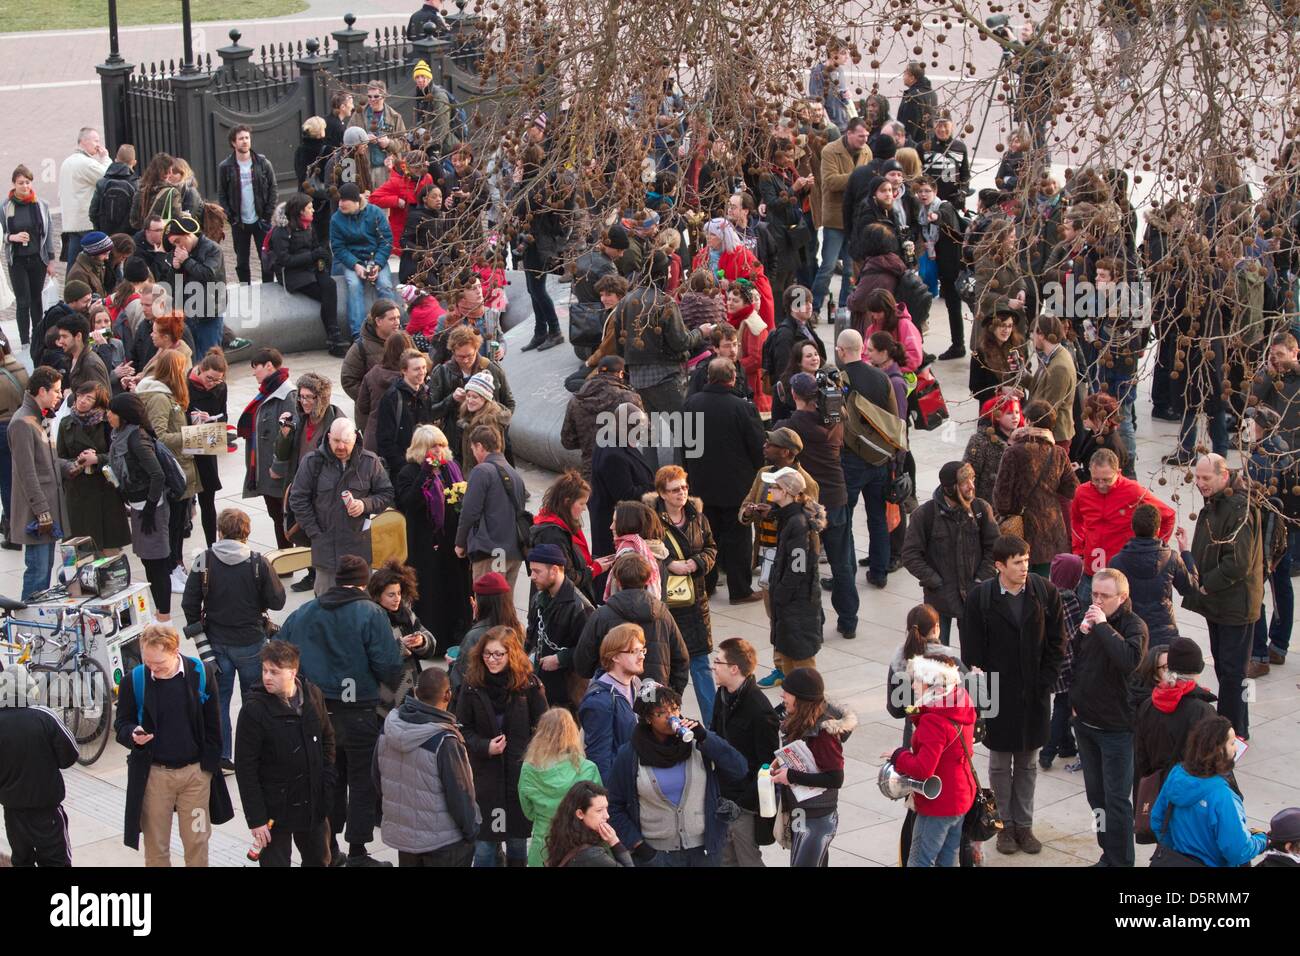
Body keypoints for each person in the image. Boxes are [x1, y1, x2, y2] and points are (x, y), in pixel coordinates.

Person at [279, 554, 401, 866]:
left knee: (328, 779)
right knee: (361, 780)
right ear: (363, 582)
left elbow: (279, 653)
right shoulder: (371, 613)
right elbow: (389, 667)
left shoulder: (304, 612)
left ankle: (330, 849)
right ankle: (358, 851)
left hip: (317, 713)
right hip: (359, 712)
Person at [960, 534, 1066, 855]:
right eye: (1017, 562)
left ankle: (1024, 825)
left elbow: (1058, 643)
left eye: (1026, 559)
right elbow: (972, 654)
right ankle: (1002, 825)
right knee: (998, 764)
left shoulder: (1045, 592)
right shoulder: (981, 598)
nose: (1024, 566)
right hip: (997, 695)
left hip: (1033, 694)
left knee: (1028, 764)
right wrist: (981, 697)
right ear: (999, 566)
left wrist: (1045, 682)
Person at [113, 623, 233, 866]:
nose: (153, 669)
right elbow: (122, 723)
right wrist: (132, 734)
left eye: (159, 664)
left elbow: (213, 723)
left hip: (195, 777)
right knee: (156, 845)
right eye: (147, 662)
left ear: (175, 650)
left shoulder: (200, 673)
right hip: (155, 777)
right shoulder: (133, 681)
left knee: (197, 840)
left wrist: (206, 769)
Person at [182, 506, 286, 771]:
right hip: (251, 642)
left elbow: (189, 604)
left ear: (220, 531)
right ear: (246, 532)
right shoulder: (256, 562)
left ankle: (222, 755)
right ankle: (253, 753)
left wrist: (201, 641)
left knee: (219, 702)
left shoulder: (204, 559)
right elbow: (278, 600)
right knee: (255, 700)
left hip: (216, 644)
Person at [606, 679, 747, 867]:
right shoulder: (630, 755)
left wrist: (706, 737)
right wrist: (639, 846)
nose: (671, 717)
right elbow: (615, 807)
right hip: (656, 855)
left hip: (704, 852)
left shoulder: (697, 744)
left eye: (674, 709)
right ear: (648, 718)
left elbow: (739, 769)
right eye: (661, 713)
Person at [1069, 567, 1148, 867]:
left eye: (1104, 596)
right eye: (1095, 594)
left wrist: (1101, 627)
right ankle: (1108, 854)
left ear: (1122, 597)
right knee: (1097, 800)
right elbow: (1078, 661)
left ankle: (1122, 861)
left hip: (1116, 729)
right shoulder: (1092, 622)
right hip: (1086, 724)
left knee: (1116, 802)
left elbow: (1129, 661)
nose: (1097, 601)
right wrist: (1082, 634)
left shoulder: (1134, 626)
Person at [234, 640, 335, 867]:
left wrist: (327, 781)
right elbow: (245, 768)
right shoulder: (253, 710)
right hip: (274, 811)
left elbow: (328, 739)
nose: (267, 677)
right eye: (265, 670)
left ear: (293, 671)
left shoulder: (313, 695)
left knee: (320, 860)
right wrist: (256, 819)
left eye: (274, 672)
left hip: (312, 803)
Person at [1183, 454, 1263, 739]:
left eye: (1206, 478)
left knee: (1233, 673)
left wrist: (1205, 586)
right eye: (1198, 478)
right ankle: (1238, 725)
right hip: (1220, 603)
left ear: (1224, 475)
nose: (1200, 484)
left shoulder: (1239, 508)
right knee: (1227, 669)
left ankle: (1232, 731)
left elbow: (1237, 563)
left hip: (1234, 605)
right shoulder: (1217, 503)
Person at [456, 625, 548, 867]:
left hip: (519, 777)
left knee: (517, 844)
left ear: (512, 655)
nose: (492, 660)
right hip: (485, 778)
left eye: (498, 654)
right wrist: (485, 746)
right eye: (487, 654)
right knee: (485, 846)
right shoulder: (472, 685)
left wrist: (532, 756)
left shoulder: (528, 685)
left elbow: (544, 728)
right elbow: (463, 728)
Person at [374, 666, 478, 867]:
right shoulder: (445, 741)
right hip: (444, 844)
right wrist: (471, 831)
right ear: (448, 695)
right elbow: (460, 795)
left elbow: (377, 777)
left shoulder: (388, 728)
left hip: (405, 839)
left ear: (414, 692)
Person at [682, 358, 765, 604]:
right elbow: (757, 447)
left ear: (708, 377)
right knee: (739, 538)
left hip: (701, 483)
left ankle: (706, 585)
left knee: (706, 536)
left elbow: (685, 445)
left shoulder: (690, 404)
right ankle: (740, 589)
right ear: (732, 378)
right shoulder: (743, 408)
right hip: (736, 485)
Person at [774, 372, 850, 629]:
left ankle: (817, 621)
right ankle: (849, 621)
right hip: (837, 496)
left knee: (811, 567)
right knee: (842, 563)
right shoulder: (836, 419)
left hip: (809, 503)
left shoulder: (792, 425)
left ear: (794, 394)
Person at [643, 466, 719, 722]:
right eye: (675, 490)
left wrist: (696, 563)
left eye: (685, 487)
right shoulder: (651, 520)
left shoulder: (698, 516)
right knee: (668, 666)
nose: (682, 493)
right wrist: (669, 565)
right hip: (667, 605)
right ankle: (668, 721)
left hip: (695, 602)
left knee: (701, 664)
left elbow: (711, 547)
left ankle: (711, 724)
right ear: (662, 493)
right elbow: (644, 555)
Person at [889, 652, 977, 867]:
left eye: (918, 680)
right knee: (947, 860)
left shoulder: (934, 721)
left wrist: (898, 755)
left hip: (939, 803)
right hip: (961, 796)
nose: (913, 686)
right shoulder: (961, 703)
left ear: (933, 685)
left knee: (920, 861)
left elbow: (922, 769)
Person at [288, 418, 394, 596]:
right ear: (328, 437)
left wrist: (364, 505)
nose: (341, 447)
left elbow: (386, 494)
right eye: (336, 441)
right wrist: (315, 533)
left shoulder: (370, 462)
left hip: (358, 552)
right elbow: (298, 499)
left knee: (361, 608)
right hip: (326, 552)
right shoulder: (312, 462)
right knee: (326, 608)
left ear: (355, 438)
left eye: (346, 442)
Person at [393, 425, 471, 653]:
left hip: (451, 544)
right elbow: (408, 503)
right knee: (432, 594)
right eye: (433, 446)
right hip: (426, 547)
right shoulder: (409, 472)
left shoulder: (451, 468)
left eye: (442, 445)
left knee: (456, 591)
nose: (438, 451)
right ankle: (433, 643)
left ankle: (458, 639)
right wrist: (425, 474)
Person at [902, 461, 997, 646]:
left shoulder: (981, 509)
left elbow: (994, 548)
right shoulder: (925, 515)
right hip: (939, 599)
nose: (971, 486)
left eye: (972, 479)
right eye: (965, 482)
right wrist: (934, 581)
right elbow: (910, 555)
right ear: (950, 488)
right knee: (937, 655)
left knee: (975, 656)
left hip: (974, 595)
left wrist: (981, 580)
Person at [1149, 717, 1266, 867]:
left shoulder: (1177, 775)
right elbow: (1238, 851)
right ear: (1218, 750)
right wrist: (1262, 840)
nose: (1236, 748)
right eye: (1232, 743)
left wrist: (1177, 853)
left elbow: (1158, 820)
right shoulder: (1223, 796)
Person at [709, 637, 781, 867]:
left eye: (718, 661)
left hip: (744, 804)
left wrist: (742, 803)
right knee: (725, 860)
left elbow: (766, 765)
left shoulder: (759, 711)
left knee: (748, 859)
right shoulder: (722, 695)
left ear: (734, 668)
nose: (713, 666)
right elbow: (716, 735)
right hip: (723, 794)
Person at [9, 367, 80, 599]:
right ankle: (25, 626)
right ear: (42, 391)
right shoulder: (22, 423)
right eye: (57, 391)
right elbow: (27, 474)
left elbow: (46, 461)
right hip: (38, 516)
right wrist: (42, 512)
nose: (60, 395)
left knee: (44, 572)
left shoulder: (40, 417)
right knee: (38, 574)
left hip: (47, 512)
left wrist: (69, 465)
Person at [772, 668, 854, 867]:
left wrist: (790, 776)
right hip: (801, 812)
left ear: (801, 698)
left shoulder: (824, 734)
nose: (782, 695)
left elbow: (835, 778)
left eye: (787, 692)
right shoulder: (799, 719)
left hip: (817, 818)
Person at [574, 552, 690, 690]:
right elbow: (681, 659)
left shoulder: (601, 616)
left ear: (617, 580)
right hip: (652, 694)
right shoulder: (663, 614)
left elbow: (583, 662)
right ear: (647, 580)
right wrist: (672, 694)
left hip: (614, 692)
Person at [135, 349, 200, 593]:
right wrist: (189, 436)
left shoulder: (166, 394)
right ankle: (171, 568)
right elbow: (159, 435)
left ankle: (175, 567)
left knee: (178, 524)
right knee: (172, 525)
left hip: (182, 466)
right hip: (174, 469)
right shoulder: (160, 397)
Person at [0, 663, 78, 866]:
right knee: (57, 861)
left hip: (13, 812)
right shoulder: (44, 716)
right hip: (47, 811)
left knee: (22, 860)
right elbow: (70, 755)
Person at [106, 393, 174, 618]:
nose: (108, 416)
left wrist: (150, 508)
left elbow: (158, 474)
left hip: (150, 507)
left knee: (157, 563)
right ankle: (160, 612)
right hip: (139, 506)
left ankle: (163, 615)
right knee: (148, 560)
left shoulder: (137, 438)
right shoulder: (121, 435)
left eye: (111, 412)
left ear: (123, 415)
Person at [992, 399, 1079, 575]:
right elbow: (1072, 489)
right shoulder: (1058, 453)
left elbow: (1002, 497)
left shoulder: (1013, 452)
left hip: (1021, 530)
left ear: (1028, 421)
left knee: (1018, 580)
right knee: (1044, 585)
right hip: (1052, 530)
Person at [1133, 637, 1218, 801]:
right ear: (1198, 670)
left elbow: (1141, 757)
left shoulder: (1149, 704)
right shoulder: (1203, 711)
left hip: (1157, 791)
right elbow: (1210, 762)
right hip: (1188, 795)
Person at [518, 709, 603, 867]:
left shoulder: (529, 768)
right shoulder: (588, 768)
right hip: (578, 847)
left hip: (543, 846)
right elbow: (598, 811)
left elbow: (528, 811)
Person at [764, 467, 828, 675]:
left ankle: (807, 703)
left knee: (801, 661)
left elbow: (798, 567)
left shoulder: (798, 524)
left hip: (798, 604)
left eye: (774, 487)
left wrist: (781, 592)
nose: (769, 490)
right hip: (790, 603)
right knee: (788, 656)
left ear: (787, 492)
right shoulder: (787, 517)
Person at [1107, 504, 1197, 647]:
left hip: (1130, 632)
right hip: (1164, 634)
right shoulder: (1171, 558)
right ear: (1158, 529)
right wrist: (1185, 552)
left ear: (1132, 527)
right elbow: (1190, 588)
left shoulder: (1116, 561)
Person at [56, 381, 130, 552]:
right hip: (78, 493)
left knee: (109, 549)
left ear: (98, 402)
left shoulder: (107, 423)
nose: (82, 400)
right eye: (80, 395)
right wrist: (77, 462)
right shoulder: (66, 423)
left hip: (106, 491)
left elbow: (120, 454)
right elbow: (59, 458)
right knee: (80, 549)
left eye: (89, 398)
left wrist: (97, 459)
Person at [270, 193, 346, 356]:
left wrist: (322, 263)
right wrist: (312, 256)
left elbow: (315, 247)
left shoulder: (309, 227)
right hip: (293, 273)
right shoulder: (282, 231)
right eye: (309, 208)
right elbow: (284, 260)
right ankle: (334, 335)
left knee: (329, 285)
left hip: (310, 268)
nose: (313, 211)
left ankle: (334, 335)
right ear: (300, 211)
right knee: (324, 294)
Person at [237, 348, 296, 550]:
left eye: (256, 368)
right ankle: (286, 557)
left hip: (276, 472)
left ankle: (291, 560)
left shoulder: (286, 395)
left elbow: (288, 437)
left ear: (269, 366)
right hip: (266, 470)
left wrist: (278, 468)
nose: (254, 373)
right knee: (276, 515)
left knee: (283, 517)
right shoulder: (268, 392)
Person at [455, 424, 526, 590]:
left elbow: (469, 512)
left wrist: (460, 543)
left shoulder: (482, 471)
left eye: (473, 448)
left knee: (488, 606)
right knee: (505, 608)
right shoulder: (515, 475)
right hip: (514, 552)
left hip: (491, 552)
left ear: (480, 446)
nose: (473, 453)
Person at [525, 543, 596, 711]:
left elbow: (590, 651)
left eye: (537, 571)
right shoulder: (538, 598)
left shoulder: (580, 608)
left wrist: (560, 659)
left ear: (555, 570)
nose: (531, 576)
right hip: (541, 687)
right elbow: (531, 634)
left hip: (567, 695)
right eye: (531, 570)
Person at [814, 119, 872, 315]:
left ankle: (844, 308)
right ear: (849, 133)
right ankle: (814, 307)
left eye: (866, 136)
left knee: (850, 269)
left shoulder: (867, 151)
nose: (864, 140)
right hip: (835, 218)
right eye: (860, 136)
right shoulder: (830, 150)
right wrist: (859, 177)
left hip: (856, 219)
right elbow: (831, 182)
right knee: (828, 267)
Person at [588, 403, 656, 561]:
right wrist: (655, 487)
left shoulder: (614, 440)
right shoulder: (614, 455)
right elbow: (625, 495)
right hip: (615, 525)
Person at [368, 560, 437, 717]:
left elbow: (429, 638)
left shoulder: (405, 613)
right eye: (391, 595)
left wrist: (421, 641)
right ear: (378, 596)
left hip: (411, 681)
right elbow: (374, 656)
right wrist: (400, 647)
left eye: (399, 593)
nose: (397, 599)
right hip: (386, 690)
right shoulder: (372, 619)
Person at [577, 625, 644, 784]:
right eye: (634, 651)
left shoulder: (636, 683)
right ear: (615, 656)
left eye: (643, 650)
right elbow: (600, 760)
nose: (641, 656)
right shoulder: (600, 702)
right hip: (618, 788)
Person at [561, 355, 645, 481]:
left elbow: (567, 441)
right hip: (623, 469)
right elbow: (643, 433)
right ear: (621, 374)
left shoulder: (576, 401)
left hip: (592, 471)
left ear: (598, 372)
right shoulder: (630, 398)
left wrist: (588, 442)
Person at [330, 184, 396, 340]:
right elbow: (338, 248)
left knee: (385, 285)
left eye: (345, 201)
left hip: (376, 258)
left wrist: (378, 264)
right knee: (353, 285)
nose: (340, 204)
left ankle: (393, 329)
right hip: (352, 260)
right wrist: (355, 265)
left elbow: (386, 241)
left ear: (356, 202)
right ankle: (358, 335)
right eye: (340, 201)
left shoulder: (375, 213)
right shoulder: (336, 219)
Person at [2, 165, 58, 347]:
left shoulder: (40, 205)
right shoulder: (5, 207)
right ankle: (25, 340)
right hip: (17, 260)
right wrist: (12, 237)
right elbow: (1, 233)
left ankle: (37, 336)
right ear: (14, 184)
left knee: (36, 300)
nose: (25, 186)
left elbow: (48, 233)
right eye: (20, 183)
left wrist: (50, 260)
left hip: (37, 259)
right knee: (23, 300)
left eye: (27, 182)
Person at [449, 571, 525, 703]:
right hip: (510, 702)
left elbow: (459, 680)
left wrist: (452, 665)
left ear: (483, 602)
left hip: (480, 706)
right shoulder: (517, 630)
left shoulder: (474, 636)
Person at [530, 470, 601, 606]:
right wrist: (594, 569)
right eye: (581, 503)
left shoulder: (562, 525)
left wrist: (593, 562)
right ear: (567, 502)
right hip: (559, 606)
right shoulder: (553, 533)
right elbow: (567, 577)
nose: (584, 509)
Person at [216, 126, 277, 284]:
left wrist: (267, 215)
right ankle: (245, 290)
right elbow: (222, 194)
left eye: (247, 138)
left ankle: (268, 289)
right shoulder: (225, 166)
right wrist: (231, 217)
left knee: (265, 258)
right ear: (233, 143)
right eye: (241, 139)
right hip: (239, 223)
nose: (245, 141)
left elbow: (273, 188)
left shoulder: (262, 163)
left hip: (261, 221)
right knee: (242, 262)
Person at [1040, 554, 1083, 771]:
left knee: (1062, 704)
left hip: (1051, 662)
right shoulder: (1071, 600)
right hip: (1067, 664)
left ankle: (1067, 745)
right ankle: (1048, 751)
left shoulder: (1047, 596)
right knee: (1063, 707)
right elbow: (1076, 635)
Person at [164, 214, 227, 355]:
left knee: (209, 357)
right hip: (188, 314)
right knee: (192, 358)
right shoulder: (179, 253)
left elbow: (208, 275)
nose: (176, 247)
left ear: (187, 235)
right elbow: (172, 286)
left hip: (209, 313)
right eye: (174, 244)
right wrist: (176, 269)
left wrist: (186, 261)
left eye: (177, 241)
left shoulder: (212, 249)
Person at [185, 349, 228, 547]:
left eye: (217, 381)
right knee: (183, 497)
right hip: (186, 440)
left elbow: (224, 417)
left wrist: (210, 418)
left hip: (206, 441)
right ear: (200, 370)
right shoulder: (185, 383)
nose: (211, 384)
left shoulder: (220, 388)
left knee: (208, 500)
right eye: (209, 378)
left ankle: (212, 545)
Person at [341, 299, 403, 430]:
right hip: (372, 420)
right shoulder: (359, 348)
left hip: (401, 414)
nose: (397, 322)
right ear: (378, 321)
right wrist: (371, 398)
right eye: (392, 319)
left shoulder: (404, 340)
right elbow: (348, 380)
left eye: (398, 317)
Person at [545, 780, 635, 867]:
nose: (607, 816)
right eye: (599, 810)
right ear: (580, 814)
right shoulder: (592, 856)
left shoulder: (566, 838)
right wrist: (614, 842)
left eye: (606, 808)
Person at [375, 349, 433, 476]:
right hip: (401, 469)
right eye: (416, 369)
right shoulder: (391, 398)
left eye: (424, 367)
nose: (422, 372)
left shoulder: (425, 394)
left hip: (424, 464)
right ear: (404, 371)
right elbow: (385, 441)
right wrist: (405, 467)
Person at [57, 128, 111, 265]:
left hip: (71, 223)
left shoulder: (67, 162)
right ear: (84, 141)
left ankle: (71, 285)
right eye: (96, 140)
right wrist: (105, 158)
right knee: (89, 263)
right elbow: (108, 177)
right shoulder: (85, 163)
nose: (98, 145)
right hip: (86, 222)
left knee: (74, 262)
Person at [1027, 313, 1078, 449]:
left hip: (1055, 436)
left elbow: (1048, 409)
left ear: (1041, 335)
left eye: (1032, 333)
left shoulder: (1059, 367)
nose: (1031, 338)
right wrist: (1019, 372)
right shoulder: (1051, 356)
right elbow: (1038, 386)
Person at [0, 334, 31, 549]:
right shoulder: (19, 367)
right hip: (21, 425)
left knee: (6, 482)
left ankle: (13, 531)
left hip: (2, 429)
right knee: (18, 479)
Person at [350, 80, 407, 188]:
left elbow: (404, 143)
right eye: (369, 96)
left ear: (384, 96)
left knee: (385, 201)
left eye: (376, 96)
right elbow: (348, 138)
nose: (372, 100)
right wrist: (363, 139)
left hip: (386, 168)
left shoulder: (394, 116)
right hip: (364, 167)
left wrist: (389, 143)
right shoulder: (358, 115)